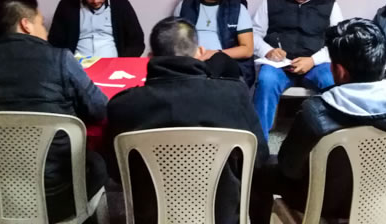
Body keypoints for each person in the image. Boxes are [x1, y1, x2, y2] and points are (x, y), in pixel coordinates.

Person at [250, 18, 386, 223]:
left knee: (259, 169)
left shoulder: (316, 112)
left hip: (324, 202)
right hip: (381, 197)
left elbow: (289, 168)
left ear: (339, 70)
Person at [104, 17, 268, 224]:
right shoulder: (234, 95)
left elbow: (116, 172)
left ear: (151, 57)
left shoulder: (123, 105)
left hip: (151, 217)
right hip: (222, 217)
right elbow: (258, 159)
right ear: (200, 52)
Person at [0, 0, 109, 223]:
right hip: (58, 197)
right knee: (98, 162)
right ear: (26, 24)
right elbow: (99, 109)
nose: (46, 31)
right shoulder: (60, 59)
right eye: (41, 23)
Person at [251, 0, 343, 139]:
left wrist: (313, 61)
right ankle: (259, 143)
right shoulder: (272, 0)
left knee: (330, 80)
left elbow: (338, 42)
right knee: (266, 80)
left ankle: (333, 139)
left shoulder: (329, 5)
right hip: (279, 65)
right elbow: (254, 34)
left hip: (316, 64)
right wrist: (267, 51)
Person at [174, 0, 255, 85]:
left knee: (218, 61)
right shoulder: (185, 5)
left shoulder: (237, 7)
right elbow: (176, 43)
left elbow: (247, 49)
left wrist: (215, 53)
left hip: (225, 62)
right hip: (193, 61)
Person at [49, 0, 144, 57]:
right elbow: (55, 41)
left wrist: (122, 63)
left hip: (114, 63)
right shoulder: (66, 6)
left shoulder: (122, 5)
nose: (96, 0)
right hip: (75, 64)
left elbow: (137, 41)